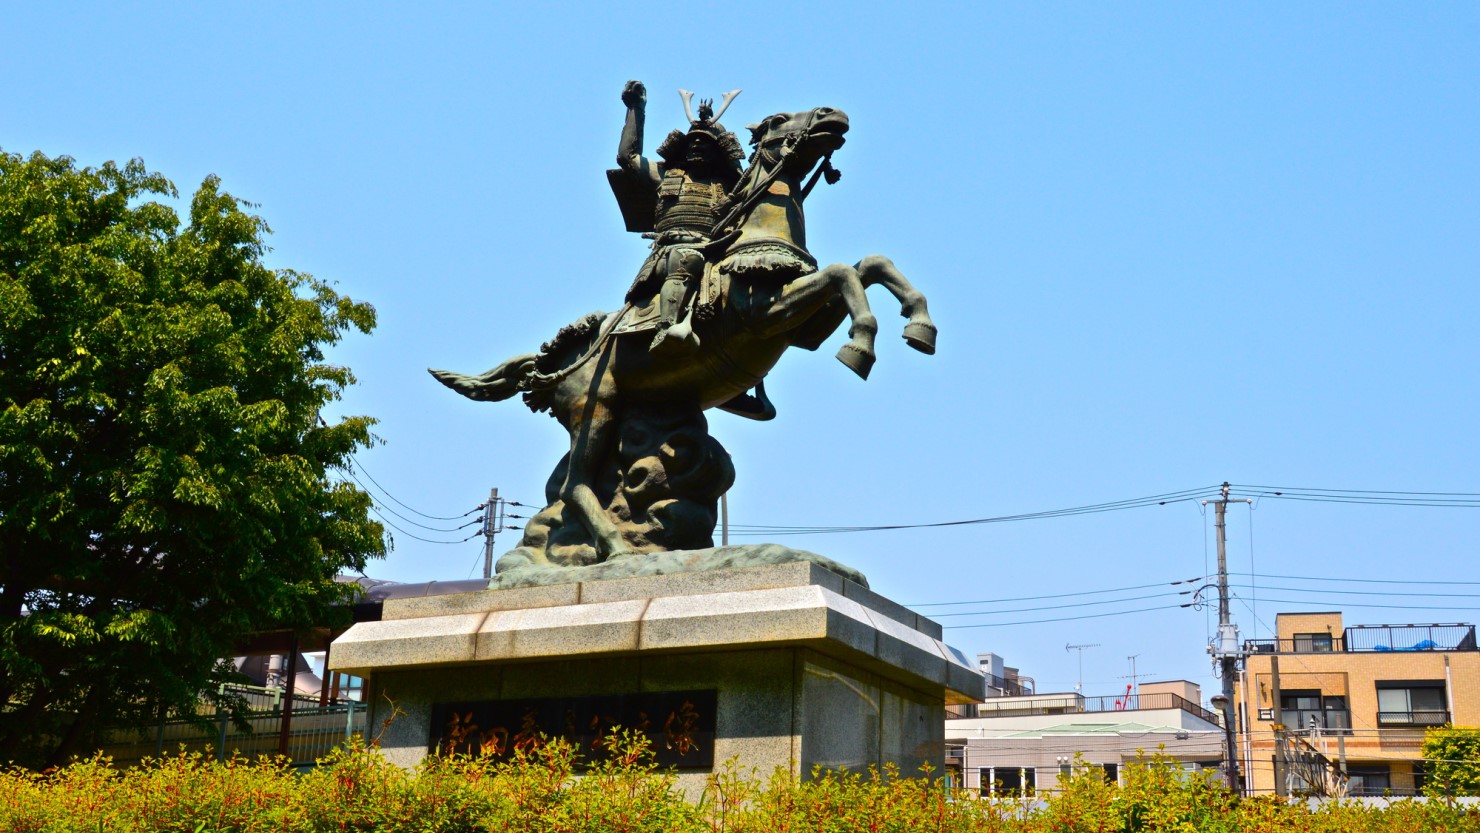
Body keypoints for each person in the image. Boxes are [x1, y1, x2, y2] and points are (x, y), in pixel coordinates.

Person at [613, 80, 745, 356]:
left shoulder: (729, 185)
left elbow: (756, 186)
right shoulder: (666, 176)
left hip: (717, 251)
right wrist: (636, 108)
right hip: (673, 252)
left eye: (705, 145)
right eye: (692, 143)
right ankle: (666, 329)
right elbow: (628, 157)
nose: (697, 147)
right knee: (685, 258)